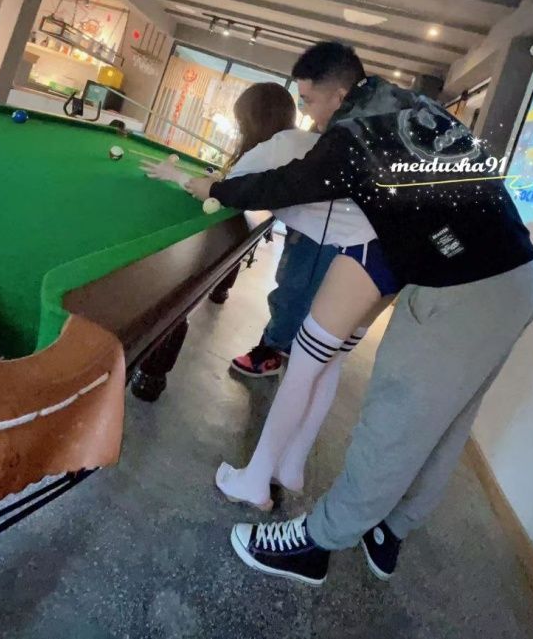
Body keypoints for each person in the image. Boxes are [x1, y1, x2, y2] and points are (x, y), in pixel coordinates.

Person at [184, 42, 533, 586]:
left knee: (392, 421)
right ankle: (389, 527)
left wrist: (215, 187)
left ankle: (317, 543)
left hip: (462, 287)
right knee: (446, 424)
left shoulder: (355, 133)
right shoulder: (412, 104)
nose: (310, 117)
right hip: (518, 277)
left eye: (310, 101)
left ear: (338, 91)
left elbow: (289, 182)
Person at [144, 79, 399, 506]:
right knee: (329, 364)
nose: (310, 109)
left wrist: (178, 175)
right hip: (390, 261)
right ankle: (291, 466)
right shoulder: (309, 141)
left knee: (303, 366)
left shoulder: (275, 146)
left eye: (310, 99)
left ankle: (257, 481)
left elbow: (219, 192)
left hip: (360, 258)